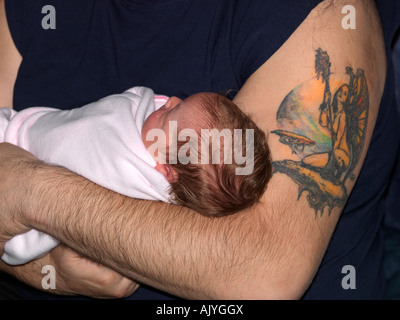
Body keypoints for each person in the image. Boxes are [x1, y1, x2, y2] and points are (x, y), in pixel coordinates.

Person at [0, 0, 399, 300]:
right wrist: (40, 267)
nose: (169, 103)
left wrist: (31, 191)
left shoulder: (321, 16)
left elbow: (262, 272)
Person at [0, 86, 271, 266]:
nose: (170, 101)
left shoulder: (131, 177)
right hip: (19, 128)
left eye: (168, 116)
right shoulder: (158, 130)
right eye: (180, 102)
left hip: (18, 164)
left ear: (166, 171)